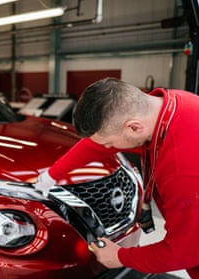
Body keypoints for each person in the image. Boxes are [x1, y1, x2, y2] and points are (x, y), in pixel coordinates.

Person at [34, 78, 199, 278]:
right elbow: (96, 144)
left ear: (133, 127)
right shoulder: (170, 107)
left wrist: (121, 256)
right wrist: (53, 174)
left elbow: (184, 253)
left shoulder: (180, 170)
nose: (109, 149)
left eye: (111, 144)